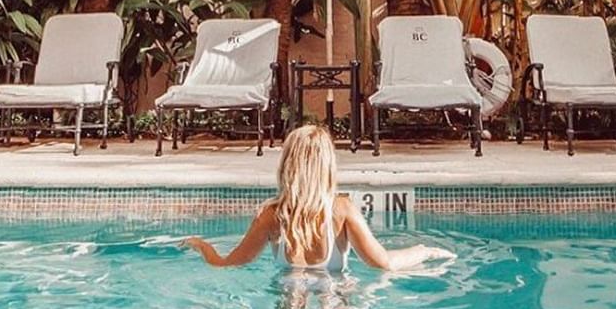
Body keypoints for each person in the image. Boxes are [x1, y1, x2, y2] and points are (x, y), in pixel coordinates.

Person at [183, 124, 454, 271]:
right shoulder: (342, 210)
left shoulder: (272, 215)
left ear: (288, 166)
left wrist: (201, 245)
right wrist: (421, 251)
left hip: (289, 295)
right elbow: (383, 263)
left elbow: (227, 263)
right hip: (334, 296)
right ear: (327, 167)